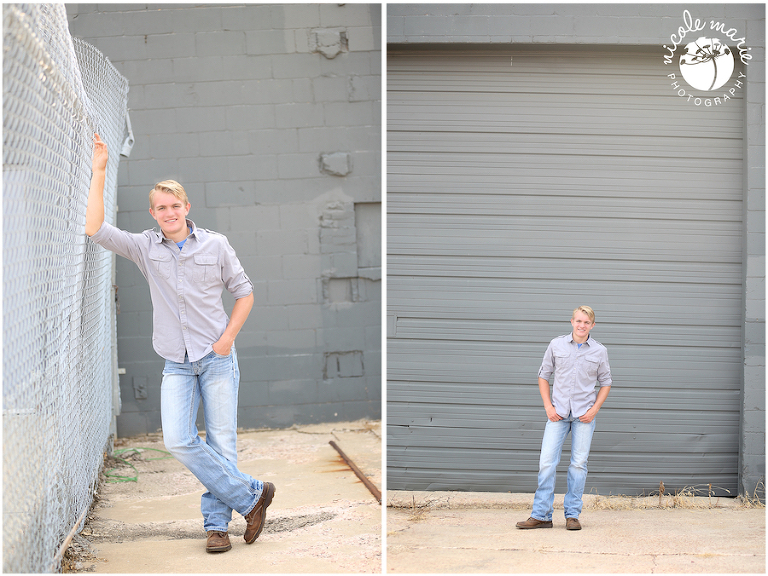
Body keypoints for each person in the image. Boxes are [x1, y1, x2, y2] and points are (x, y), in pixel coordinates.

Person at [86, 134, 275, 553]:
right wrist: (99, 170)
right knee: (177, 439)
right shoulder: (143, 247)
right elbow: (94, 228)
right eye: (161, 208)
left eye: (175, 206)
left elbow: (244, 293)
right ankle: (253, 496)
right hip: (176, 361)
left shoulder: (216, 245)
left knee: (222, 444)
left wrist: (227, 339)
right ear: (153, 213)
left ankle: (216, 527)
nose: (169, 213)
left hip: (217, 358)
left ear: (187, 208)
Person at [516, 305, 611, 531]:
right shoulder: (556, 344)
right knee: (547, 463)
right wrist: (548, 406)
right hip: (557, 414)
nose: (581, 325)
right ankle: (541, 515)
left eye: (586, 322)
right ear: (571, 322)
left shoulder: (599, 351)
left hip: (583, 416)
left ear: (592, 325)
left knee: (578, 465)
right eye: (578, 321)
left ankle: (572, 515)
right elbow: (543, 375)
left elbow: (606, 382)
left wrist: (594, 409)